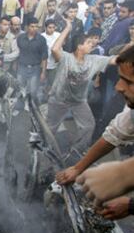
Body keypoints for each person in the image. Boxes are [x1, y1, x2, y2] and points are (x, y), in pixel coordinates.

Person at [56, 45, 134, 219]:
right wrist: (77, 168)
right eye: (120, 79)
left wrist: (130, 205)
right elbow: (113, 135)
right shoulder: (132, 112)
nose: (118, 88)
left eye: (129, 82)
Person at [46, 19, 117, 157]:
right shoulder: (66, 58)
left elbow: (115, 59)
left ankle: (77, 149)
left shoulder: (94, 60)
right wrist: (67, 28)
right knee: (51, 128)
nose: (93, 44)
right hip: (59, 99)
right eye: (89, 42)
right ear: (79, 46)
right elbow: (55, 49)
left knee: (89, 125)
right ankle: (45, 149)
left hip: (79, 101)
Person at [16, 17, 48, 102]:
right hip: (22, 68)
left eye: (36, 27)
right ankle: (20, 106)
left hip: (35, 69)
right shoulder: (20, 38)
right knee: (19, 88)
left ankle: (30, 106)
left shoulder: (41, 40)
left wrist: (43, 73)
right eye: (32, 26)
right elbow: (18, 52)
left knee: (33, 90)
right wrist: (16, 65)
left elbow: (44, 57)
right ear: (27, 27)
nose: (34, 29)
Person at [41, 19, 60, 101]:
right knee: (42, 83)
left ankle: (50, 100)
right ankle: (41, 99)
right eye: (49, 27)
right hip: (43, 65)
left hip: (54, 65)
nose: (52, 29)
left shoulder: (58, 35)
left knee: (52, 83)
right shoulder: (41, 37)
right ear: (45, 28)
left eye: (53, 27)